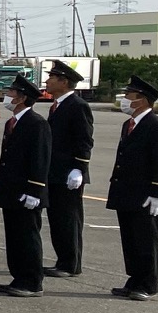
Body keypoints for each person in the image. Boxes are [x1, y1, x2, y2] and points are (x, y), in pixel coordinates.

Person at [107, 74, 158, 300]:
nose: (125, 99)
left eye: (129, 95)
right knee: (131, 239)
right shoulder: (129, 124)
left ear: (141, 100)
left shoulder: (157, 126)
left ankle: (148, 283)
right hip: (127, 191)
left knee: (146, 241)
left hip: (146, 194)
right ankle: (134, 279)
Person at [0, 74, 51, 297]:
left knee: (27, 236)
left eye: (11, 93)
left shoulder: (36, 123)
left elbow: (40, 158)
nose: (7, 96)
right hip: (12, 189)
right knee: (15, 236)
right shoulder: (12, 122)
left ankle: (32, 281)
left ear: (22, 98)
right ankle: (19, 277)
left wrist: (35, 189)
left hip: (27, 191)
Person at [43, 60, 93, 277]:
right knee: (57, 219)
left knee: (68, 219)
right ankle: (62, 260)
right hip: (55, 172)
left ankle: (70, 264)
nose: (47, 81)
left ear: (63, 82)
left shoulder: (77, 106)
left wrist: (79, 168)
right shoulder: (58, 105)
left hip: (68, 174)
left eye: (52, 78)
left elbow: (84, 140)